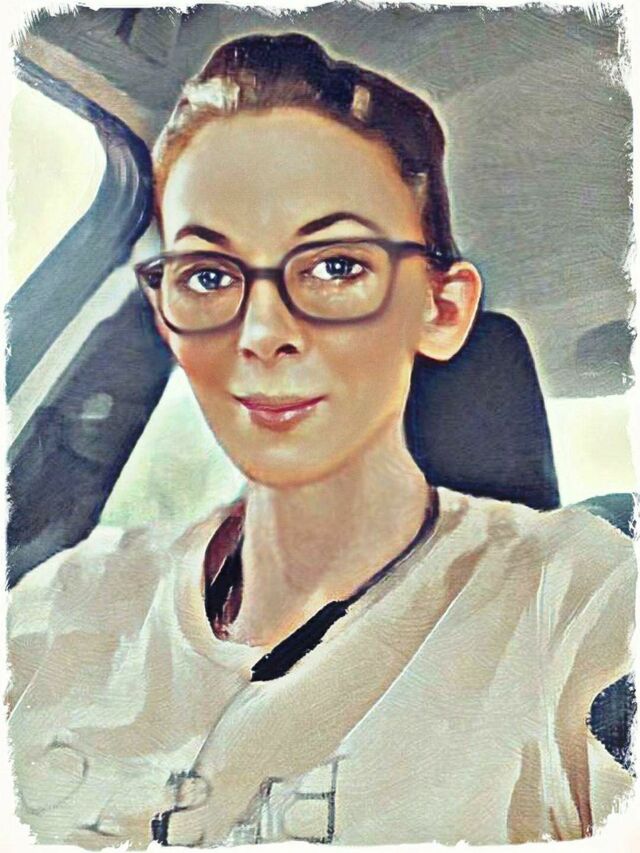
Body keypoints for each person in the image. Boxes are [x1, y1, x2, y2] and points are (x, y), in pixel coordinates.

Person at [6, 33, 636, 848]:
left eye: (336, 266)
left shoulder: (577, 604)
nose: (261, 332)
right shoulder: (60, 608)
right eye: (208, 275)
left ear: (441, 310)